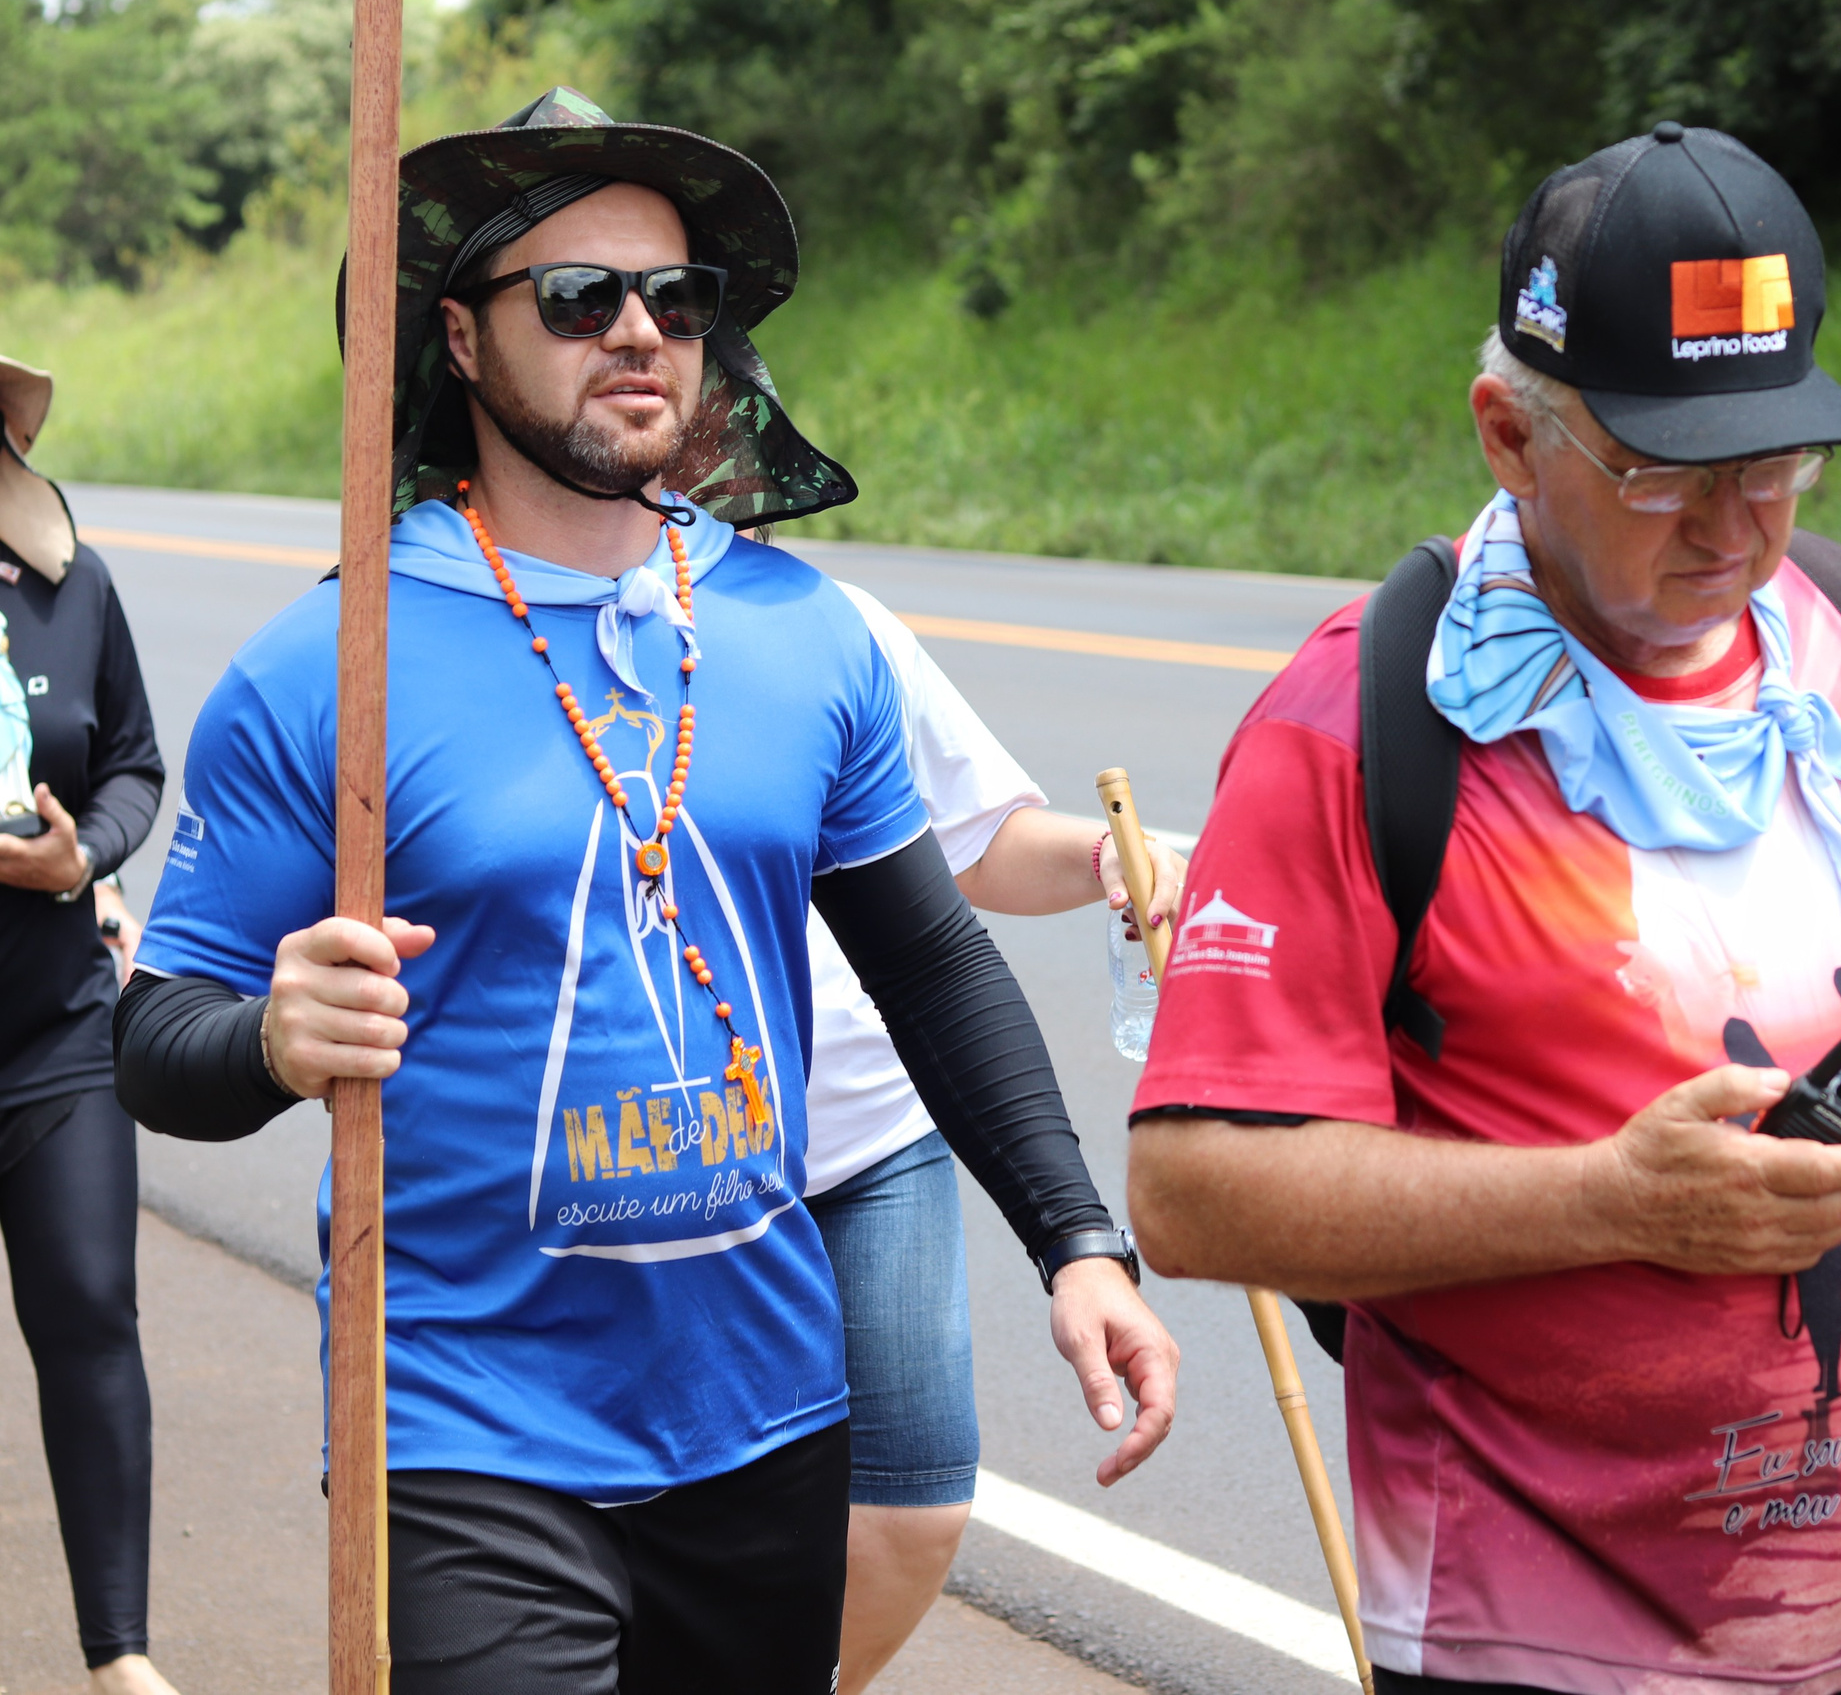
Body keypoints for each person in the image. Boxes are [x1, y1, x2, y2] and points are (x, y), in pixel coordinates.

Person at [1125, 124, 1841, 1695]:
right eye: (1662, 471)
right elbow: (1193, 1188)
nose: (1732, 528)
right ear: (1510, 433)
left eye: (1774, 464)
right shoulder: (1360, 723)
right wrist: (1613, 1199)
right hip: (1551, 1643)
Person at [112, 88, 1174, 1694]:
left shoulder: (805, 633)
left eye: (677, 298)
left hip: (766, 1416)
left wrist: (1079, 1241)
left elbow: (935, 967)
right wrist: (273, 1034)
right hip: (462, 1427)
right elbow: (154, 1036)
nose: (638, 332)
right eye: (576, 295)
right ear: (459, 338)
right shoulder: (332, 662)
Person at [796, 582, 1186, 1687]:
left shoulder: (836, 625)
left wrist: (1108, 858)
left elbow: (974, 845)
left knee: (911, 1505)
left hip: (872, 1130)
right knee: (689, 1511)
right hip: (671, 1159)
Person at [0, 356, 178, 1695]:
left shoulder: (71, 586)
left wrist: (84, 859)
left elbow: (130, 762)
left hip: (57, 1030)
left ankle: (119, 1653)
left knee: (91, 1318)